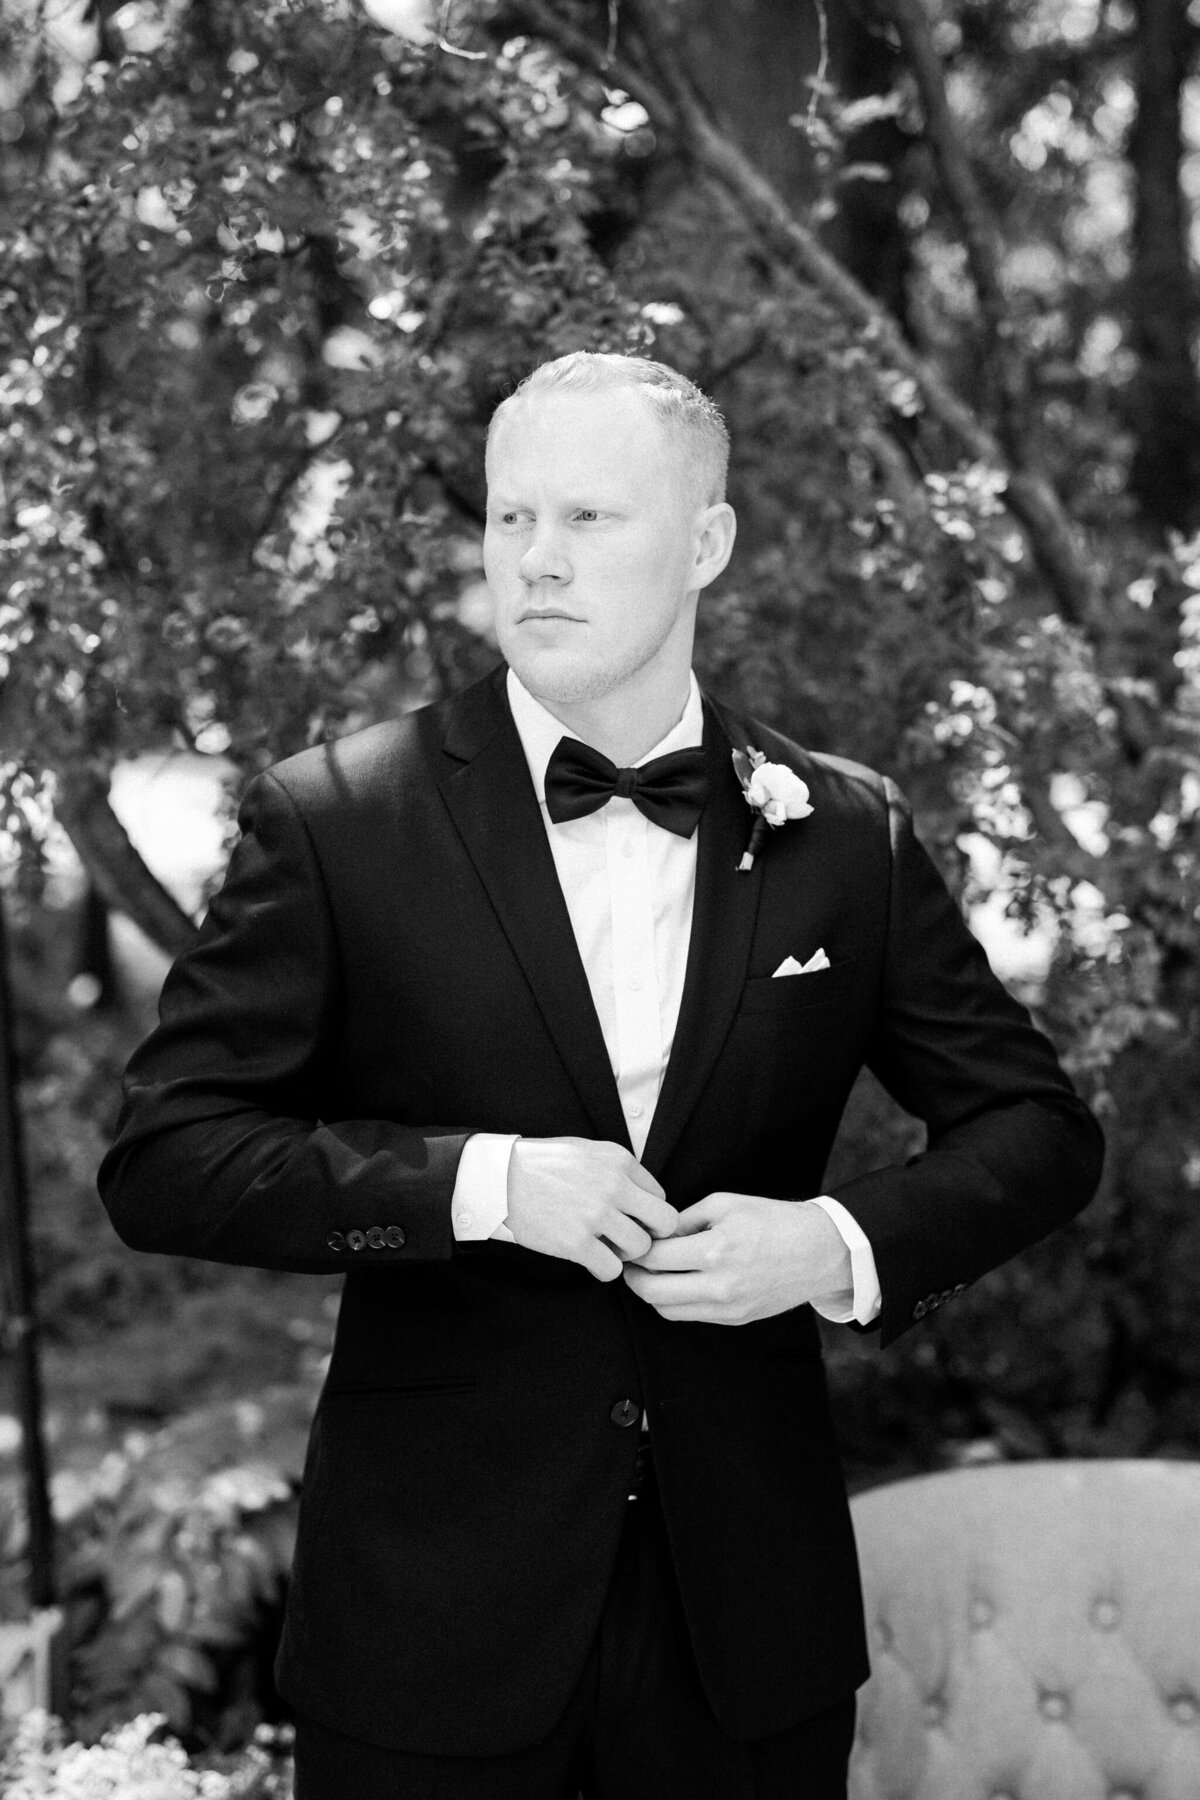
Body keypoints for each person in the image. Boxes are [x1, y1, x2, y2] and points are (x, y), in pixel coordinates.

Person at [98, 352, 1103, 1799]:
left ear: (706, 543)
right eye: (512, 520)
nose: (538, 563)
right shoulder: (340, 818)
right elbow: (164, 1156)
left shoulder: (842, 833)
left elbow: (1039, 1129)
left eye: (590, 520)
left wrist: (832, 1244)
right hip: (430, 1632)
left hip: (745, 1642)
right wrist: (487, 1187)